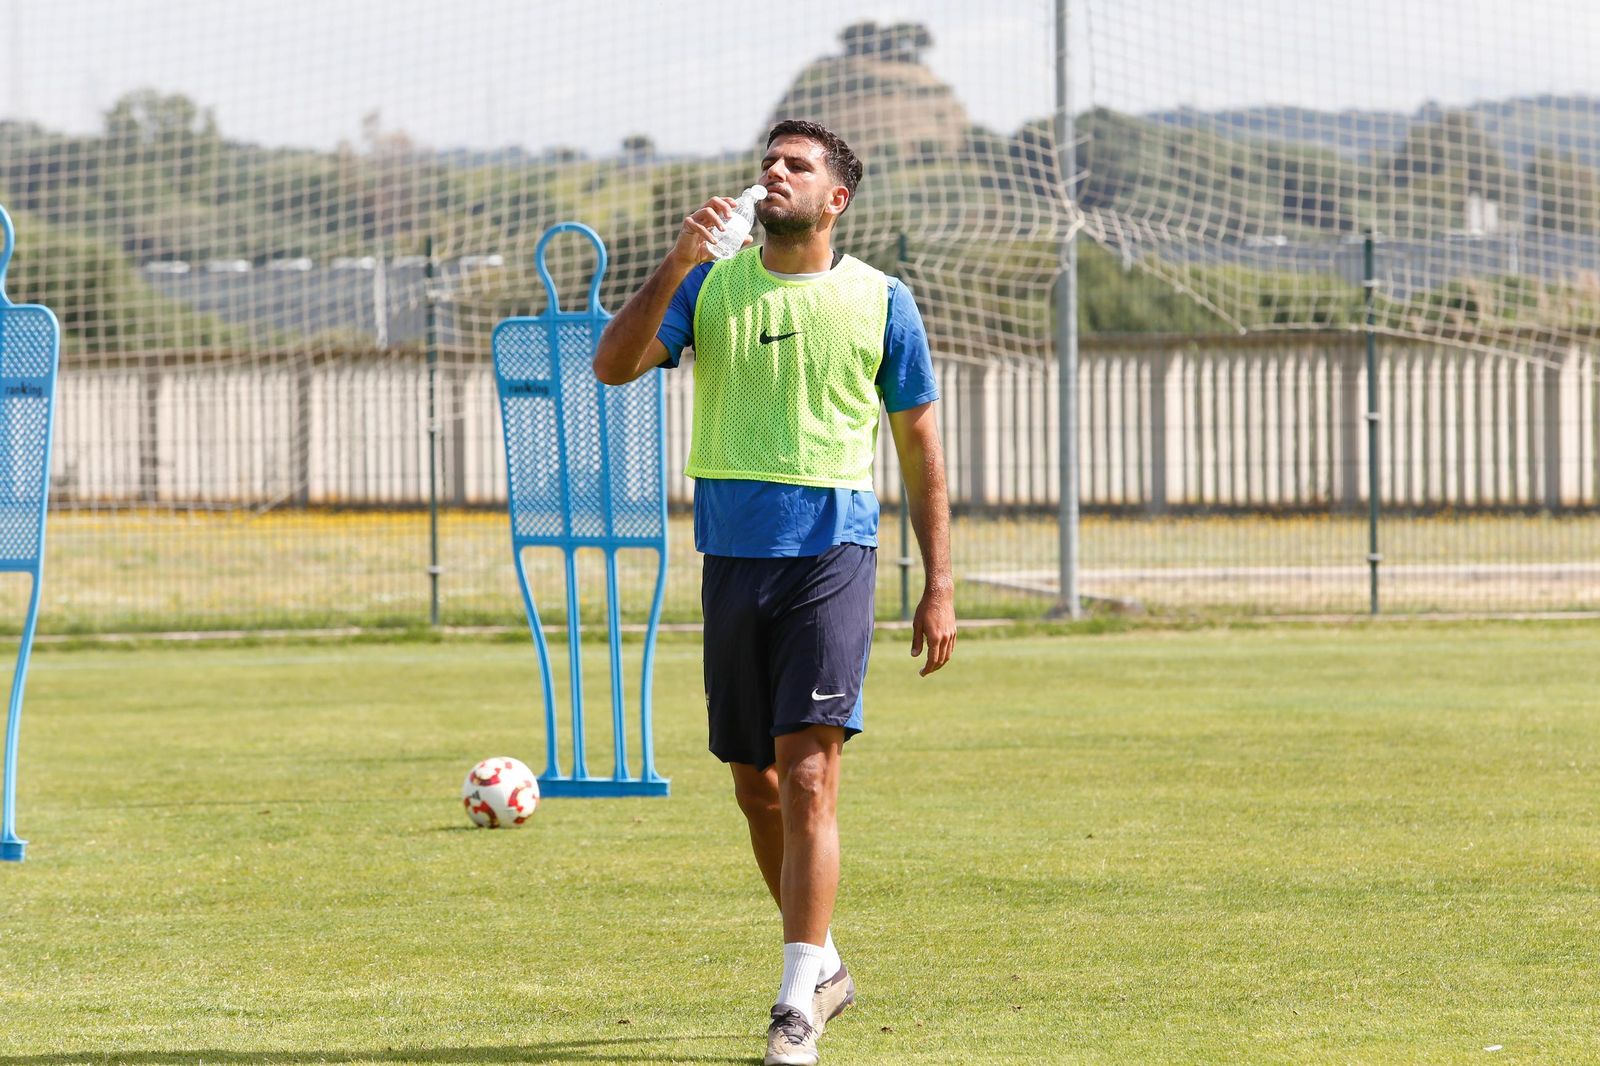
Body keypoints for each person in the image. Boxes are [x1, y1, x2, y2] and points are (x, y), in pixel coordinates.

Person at [593, 119, 955, 1066]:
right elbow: (612, 364)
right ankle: (825, 962)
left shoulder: (883, 300)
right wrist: (678, 257)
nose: (774, 173)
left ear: (836, 197)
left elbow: (919, 446)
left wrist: (939, 584)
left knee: (807, 775)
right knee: (754, 787)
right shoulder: (709, 284)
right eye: (770, 162)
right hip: (733, 558)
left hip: (834, 549)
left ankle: (795, 1005)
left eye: (798, 165)